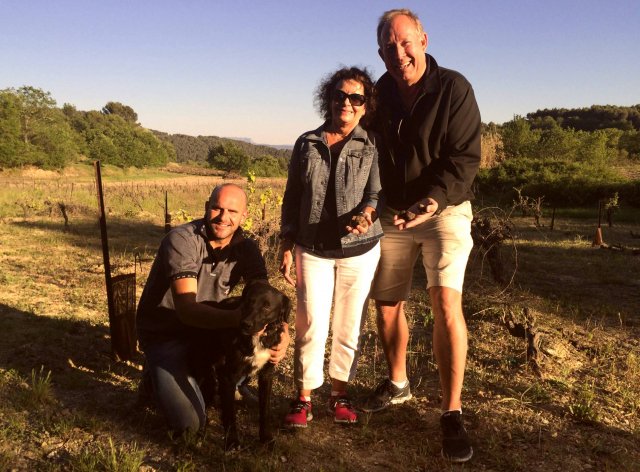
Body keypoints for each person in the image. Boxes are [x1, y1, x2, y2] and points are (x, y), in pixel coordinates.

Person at [361, 9, 481, 463]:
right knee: (387, 302)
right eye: (389, 47)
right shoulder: (378, 95)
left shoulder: (454, 88)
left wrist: (431, 201)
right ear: (380, 53)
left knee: (444, 301)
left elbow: (464, 158)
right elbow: (362, 149)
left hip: (442, 209)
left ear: (424, 40)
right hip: (393, 213)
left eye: (406, 42)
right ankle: (398, 383)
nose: (399, 53)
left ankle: (451, 412)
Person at [136, 183, 289, 437]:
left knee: (224, 379)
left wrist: (283, 331)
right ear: (207, 208)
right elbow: (187, 310)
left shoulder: (247, 248)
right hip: (169, 333)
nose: (223, 217)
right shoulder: (182, 240)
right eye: (217, 208)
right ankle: (155, 374)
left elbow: (265, 294)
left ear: (244, 216)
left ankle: (213, 380)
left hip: (211, 333)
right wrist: (242, 322)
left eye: (232, 211)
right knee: (190, 425)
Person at [279, 67, 383, 428]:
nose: (347, 103)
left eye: (356, 98)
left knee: (348, 325)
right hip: (311, 248)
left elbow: (375, 194)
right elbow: (292, 196)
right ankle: (303, 397)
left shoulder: (370, 144)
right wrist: (286, 241)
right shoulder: (306, 143)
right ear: (329, 98)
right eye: (340, 95)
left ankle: (340, 395)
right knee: (310, 324)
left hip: (360, 249)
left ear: (365, 105)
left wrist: (368, 213)